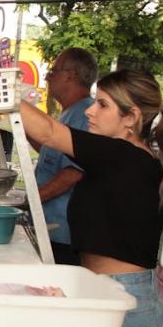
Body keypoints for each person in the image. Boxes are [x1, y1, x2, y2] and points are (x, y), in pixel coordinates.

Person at [20, 69, 163, 327]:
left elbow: (49, 132)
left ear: (131, 117)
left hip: (125, 304)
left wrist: (2, 93)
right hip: (111, 293)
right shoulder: (124, 158)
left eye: (103, 105)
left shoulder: (124, 156)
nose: (90, 111)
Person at [33, 48, 97, 266]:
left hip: (63, 234)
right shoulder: (68, 113)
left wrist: (29, 201)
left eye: (54, 71)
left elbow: (72, 174)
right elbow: (49, 151)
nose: (48, 76)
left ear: (71, 75)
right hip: (50, 228)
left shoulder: (85, 115)